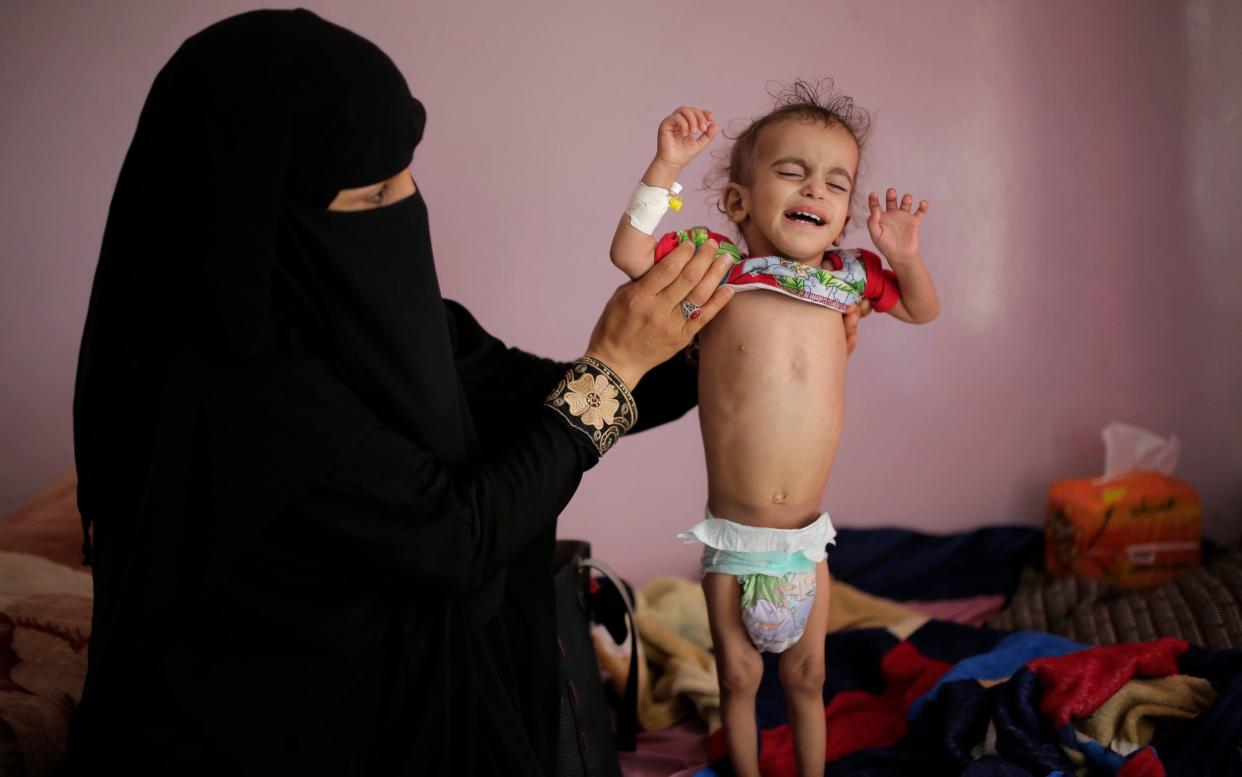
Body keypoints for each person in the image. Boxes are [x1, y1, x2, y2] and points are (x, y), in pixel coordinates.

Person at [66, 12, 865, 775]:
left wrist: (726, 354)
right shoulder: (232, 391)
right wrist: (614, 368)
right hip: (277, 733)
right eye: (375, 196)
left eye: (408, 176)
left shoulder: (379, 317)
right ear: (259, 212)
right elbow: (453, 537)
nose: (407, 208)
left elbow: (538, 400)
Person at [608, 84, 939, 777]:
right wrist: (665, 166)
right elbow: (631, 252)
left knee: (809, 679)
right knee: (735, 677)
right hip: (733, 538)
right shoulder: (718, 271)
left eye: (835, 180)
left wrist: (904, 255)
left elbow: (920, 308)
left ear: (845, 215)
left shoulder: (849, 282)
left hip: (805, 543)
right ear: (737, 201)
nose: (814, 187)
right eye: (792, 170)